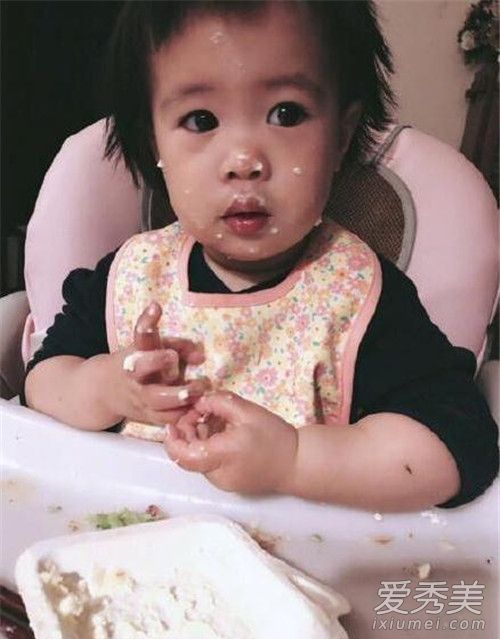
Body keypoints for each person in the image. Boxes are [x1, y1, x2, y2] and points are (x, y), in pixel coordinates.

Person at [24, 0, 498, 512]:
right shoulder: (132, 277)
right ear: (153, 142)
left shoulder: (360, 296)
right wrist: (109, 389)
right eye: (201, 119)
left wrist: (293, 461)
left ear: (341, 136)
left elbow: (458, 447)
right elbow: (43, 382)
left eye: (286, 114)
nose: (244, 161)